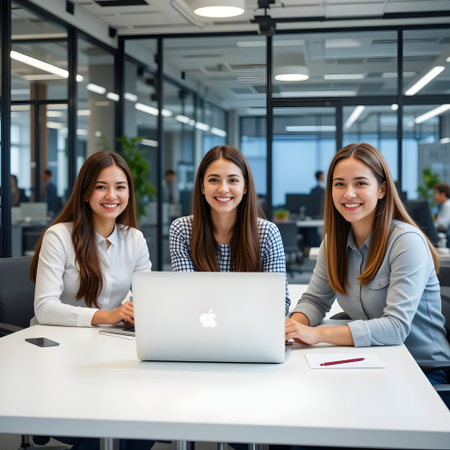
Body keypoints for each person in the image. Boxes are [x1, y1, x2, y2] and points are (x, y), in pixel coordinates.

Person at [285, 143, 450, 388]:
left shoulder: (405, 241)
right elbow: (316, 300)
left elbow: (395, 327)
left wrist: (316, 334)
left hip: (424, 370)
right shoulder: (333, 242)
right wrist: (292, 326)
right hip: (373, 360)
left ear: (382, 189)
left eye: (360, 183)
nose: (348, 193)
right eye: (339, 184)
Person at [30, 151, 154, 450]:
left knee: (141, 431)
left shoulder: (134, 238)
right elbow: (44, 307)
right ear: (85, 193)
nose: (112, 195)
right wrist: (108, 315)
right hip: (58, 351)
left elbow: (147, 295)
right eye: (101, 186)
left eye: (120, 187)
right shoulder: (59, 236)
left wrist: (143, 312)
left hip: (107, 348)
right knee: (104, 431)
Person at [169, 145, 290, 315]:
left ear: (245, 187)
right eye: (213, 180)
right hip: (201, 330)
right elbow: (187, 297)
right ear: (202, 187)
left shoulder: (267, 232)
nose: (223, 189)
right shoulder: (182, 229)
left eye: (233, 180)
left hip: (250, 331)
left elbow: (279, 303)